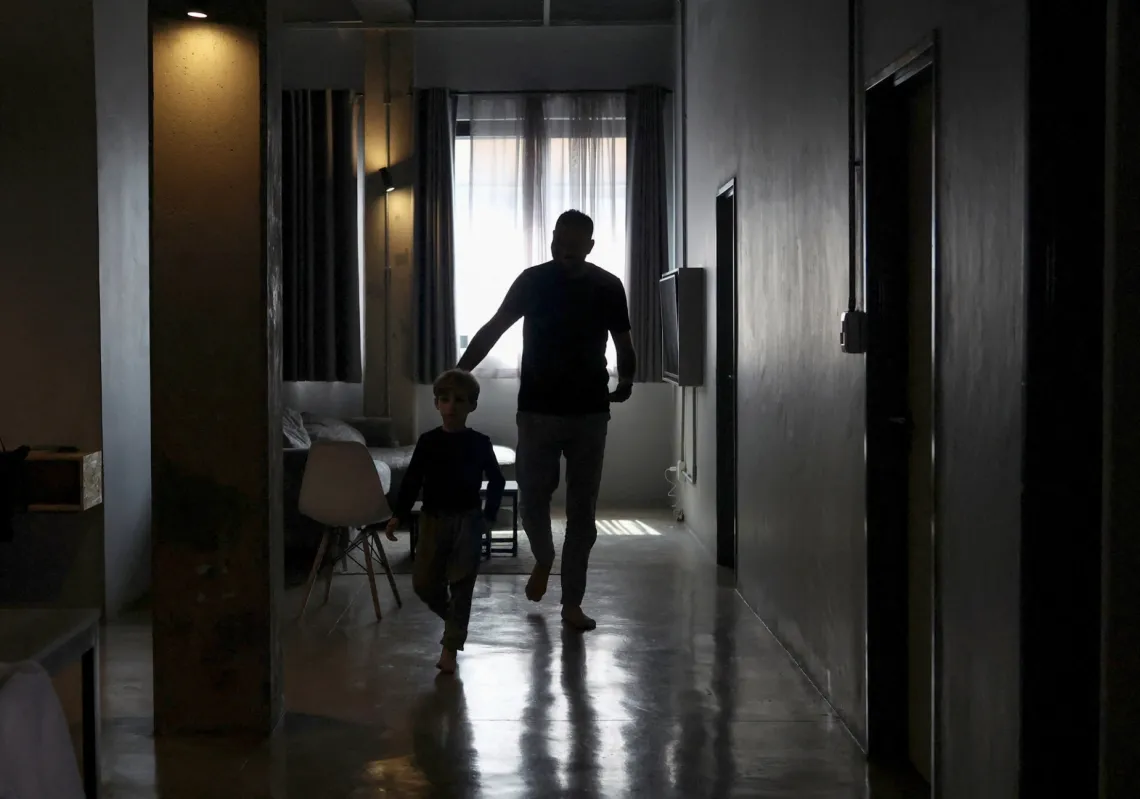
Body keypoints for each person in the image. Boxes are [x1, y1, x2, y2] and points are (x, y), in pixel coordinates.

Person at [456, 209, 637, 632]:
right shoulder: (532, 281)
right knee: (534, 501)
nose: (565, 248)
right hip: (536, 412)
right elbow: (495, 327)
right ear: (552, 239)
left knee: (582, 514)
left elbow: (623, 342)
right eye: (559, 240)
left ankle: (571, 604)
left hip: (590, 414)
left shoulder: (608, 286)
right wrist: (461, 372)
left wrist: (626, 377)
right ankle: (543, 556)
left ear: (590, 246)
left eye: (575, 242)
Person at [385, 369, 505, 673]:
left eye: (459, 400)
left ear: (471, 406)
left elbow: (497, 481)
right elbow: (412, 481)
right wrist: (398, 514)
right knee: (424, 582)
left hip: (468, 519)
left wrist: (488, 516)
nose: (451, 406)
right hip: (433, 519)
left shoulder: (479, 442)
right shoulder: (427, 442)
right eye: (445, 399)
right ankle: (454, 620)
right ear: (437, 404)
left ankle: (450, 648)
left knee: (462, 584)